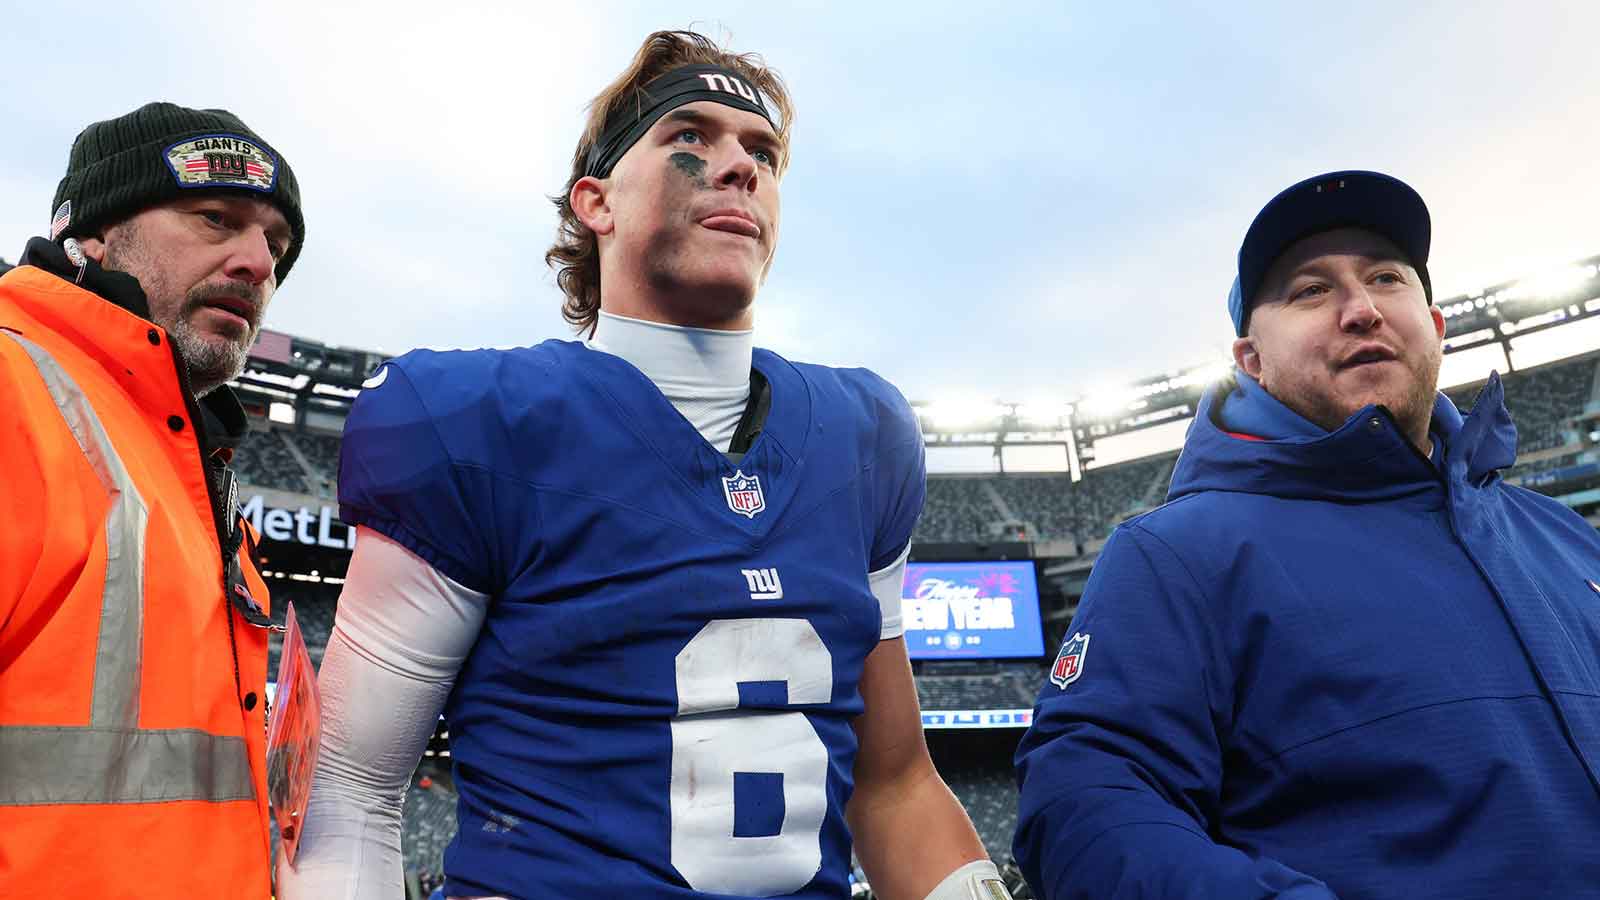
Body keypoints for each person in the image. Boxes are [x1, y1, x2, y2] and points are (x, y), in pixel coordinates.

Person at [278, 29, 1009, 900]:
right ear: (597, 202)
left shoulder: (864, 436)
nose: (740, 167)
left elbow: (895, 787)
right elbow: (351, 794)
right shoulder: (479, 422)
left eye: (763, 152)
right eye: (689, 139)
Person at [1012, 170, 1600, 899]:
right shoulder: (1179, 554)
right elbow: (1084, 805)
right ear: (1250, 361)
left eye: (1386, 277)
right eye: (1310, 290)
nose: (1361, 310)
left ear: (1436, 324)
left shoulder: (1563, 535)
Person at [0, 102, 304, 896]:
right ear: (95, 232)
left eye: (275, 244)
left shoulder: (191, 469)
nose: (257, 263)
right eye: (216, 218)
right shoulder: (12, 389)